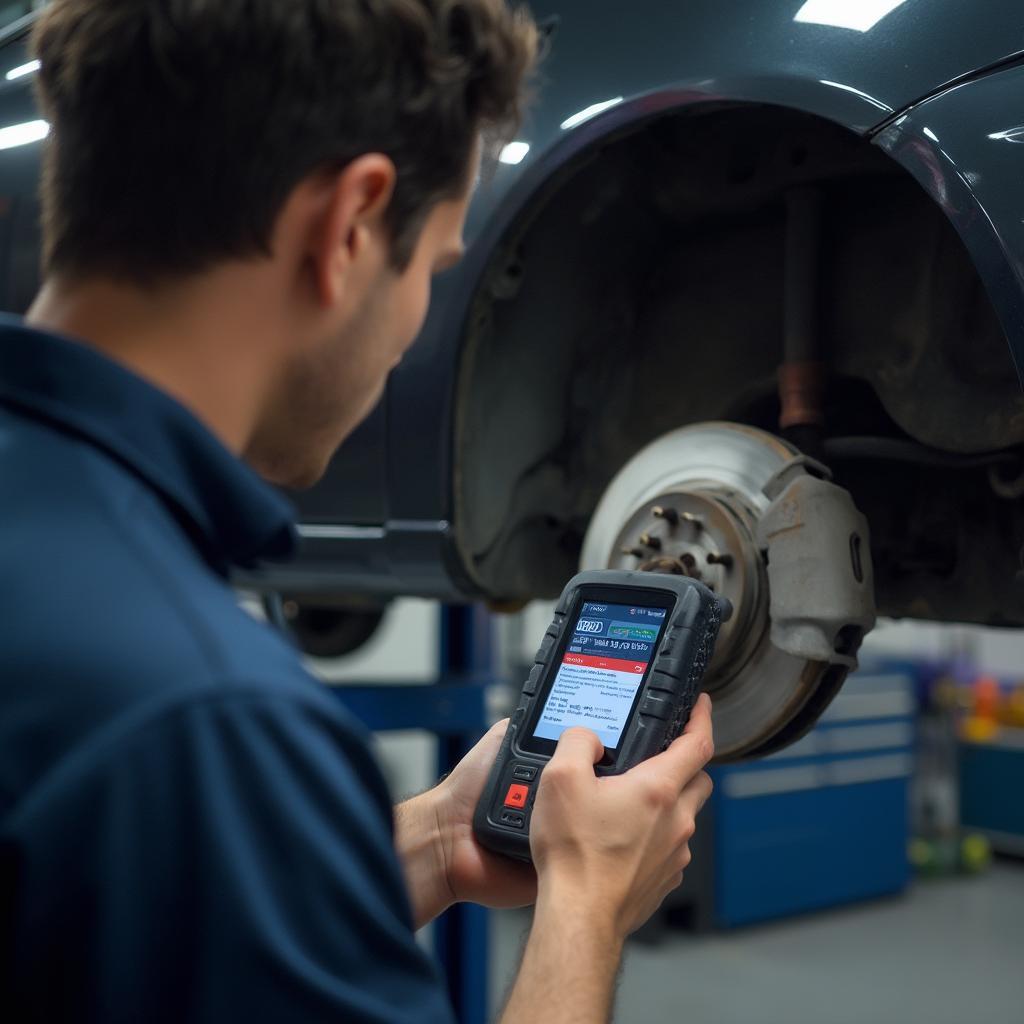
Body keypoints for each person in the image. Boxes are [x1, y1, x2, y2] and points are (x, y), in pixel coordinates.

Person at [0, 1, 715, 1021]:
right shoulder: (209, 723)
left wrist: (431, 839)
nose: (416, 317)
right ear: (346, 226)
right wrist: (587, 904)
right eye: (428, 265)